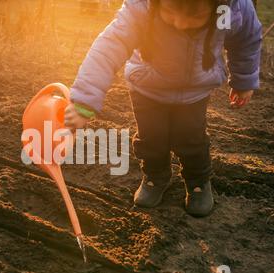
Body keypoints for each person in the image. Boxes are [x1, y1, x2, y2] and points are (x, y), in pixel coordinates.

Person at [64, 0, 262, 217]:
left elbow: (246, 42)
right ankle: (155, 176)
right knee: (152, 138)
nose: (180, 23)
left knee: (191, 138)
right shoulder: (141, 8)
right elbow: (109, 47)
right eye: (170, 12)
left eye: (195, 17)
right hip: (148, 89)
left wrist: (244, 81)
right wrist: (84, 101)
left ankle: (198, 182)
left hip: (195, 92)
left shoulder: (234, 9)